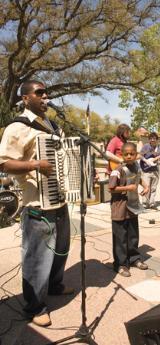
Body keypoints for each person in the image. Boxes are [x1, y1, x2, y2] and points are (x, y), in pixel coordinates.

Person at [0, 80, 73, 327]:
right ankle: (35, 306)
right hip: (37, 203)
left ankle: (54, 285)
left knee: (61, 248)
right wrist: (34, 165)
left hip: (59, 199)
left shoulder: (52, 126)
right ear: (26, 98)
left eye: (46, 92)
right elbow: (4, 163)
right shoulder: (18, 127)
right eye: (39, 92)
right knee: (37, 258)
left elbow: (65, 158)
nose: (45, 96)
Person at [109, 142, 149, 277]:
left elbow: (139, 178)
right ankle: (120, 264)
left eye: (132, 154)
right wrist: (127, 188)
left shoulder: (136, 166)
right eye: (126, 154)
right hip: (120, 208)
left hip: (133, 207)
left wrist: (145, 186)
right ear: (122, 154)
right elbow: (111, 188)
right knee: (120, 238)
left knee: (133, 235)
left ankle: (134, 258)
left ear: (136, 154)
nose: (129, 156)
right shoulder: (118, 170)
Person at [139, 132, 160, 209]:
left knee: (153, 188)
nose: (152, 140)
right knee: (146, 187)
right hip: (146, 170)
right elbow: (140, 155)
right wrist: (146, 161)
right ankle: (144, 203)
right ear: (149, 139)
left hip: (155, 170)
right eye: (151, 138)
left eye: (154, 138)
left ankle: (152, 203)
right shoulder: (146, 146)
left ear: (157, 139)